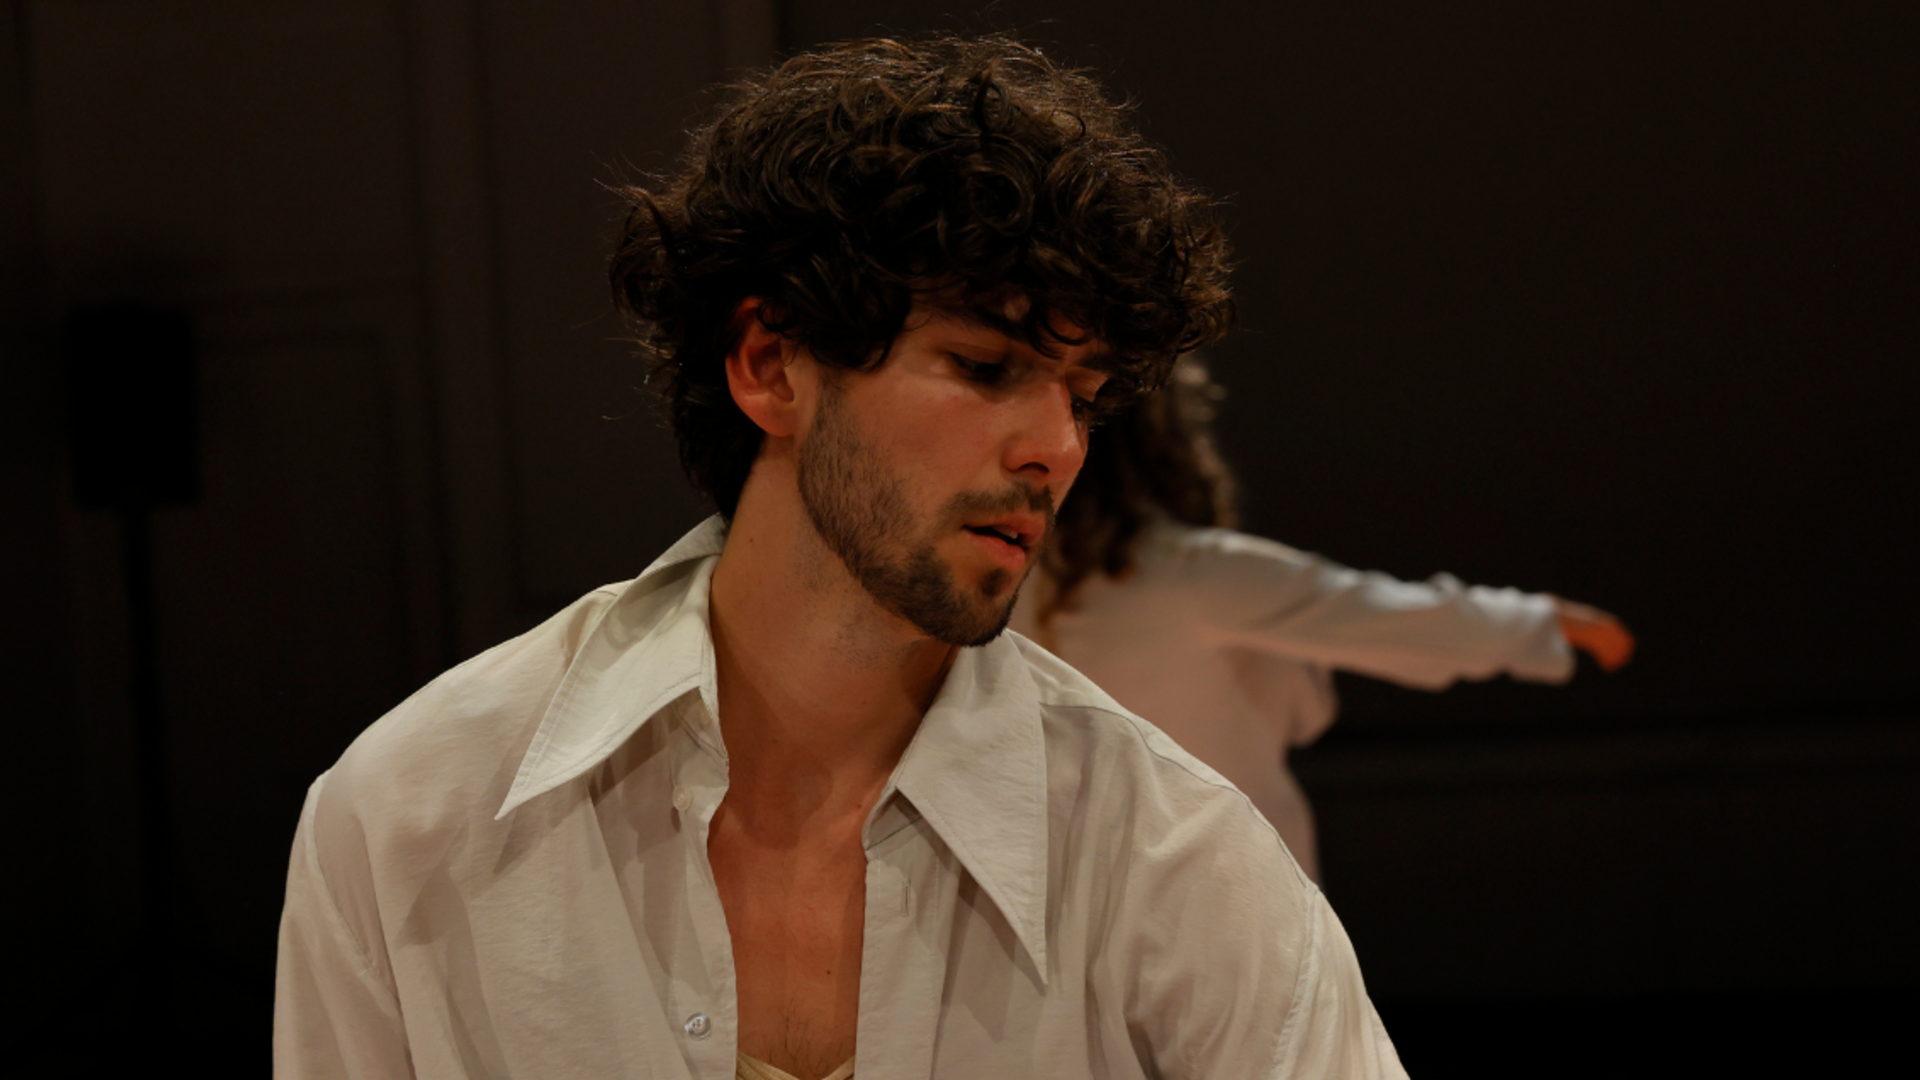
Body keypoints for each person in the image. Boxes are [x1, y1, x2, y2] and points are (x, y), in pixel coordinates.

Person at [273, 35, 1407, 1080]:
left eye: (1085, 398)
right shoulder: (411, 815)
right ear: (770, 365)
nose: (1058, 448)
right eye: (985, 366)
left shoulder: (1179, 863)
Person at [1008, 356, 1636, 881]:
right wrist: (1545, 622)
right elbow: (1388, 617)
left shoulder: (1000, 581)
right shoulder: (1194, 572)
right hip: (1224, 888)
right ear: (1163, 442)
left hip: (1069, 888)